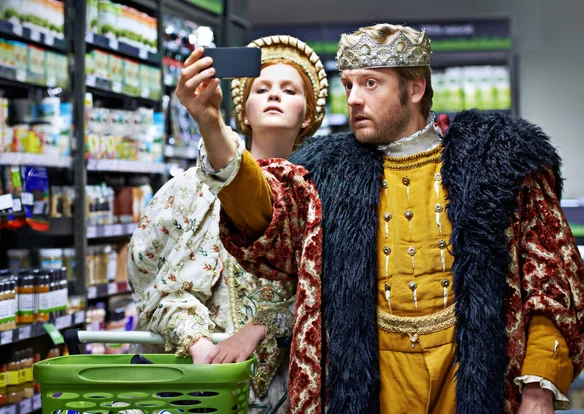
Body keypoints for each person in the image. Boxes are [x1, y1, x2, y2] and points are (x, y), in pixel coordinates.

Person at [181, 23, 584, 414]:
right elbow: (268, 218)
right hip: (376, 380)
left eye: (370, 84)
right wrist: (211, 124)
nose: (354, 99)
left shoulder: (497, 163)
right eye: (349, 85)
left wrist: (538, 387)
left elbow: (550, 279)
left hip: (469, 375)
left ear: (415, 88)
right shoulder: (327, 171)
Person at [127, 35, 328, 410]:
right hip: (201, 385)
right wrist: (198, 342)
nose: (274, 96)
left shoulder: (325, 194)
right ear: (244, 110)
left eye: (289, 89)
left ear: (308, 114)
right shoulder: (190, 190)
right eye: (262, 88)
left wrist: (262, 327)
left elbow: (325, 293)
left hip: (290, 387)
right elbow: (151, 280)